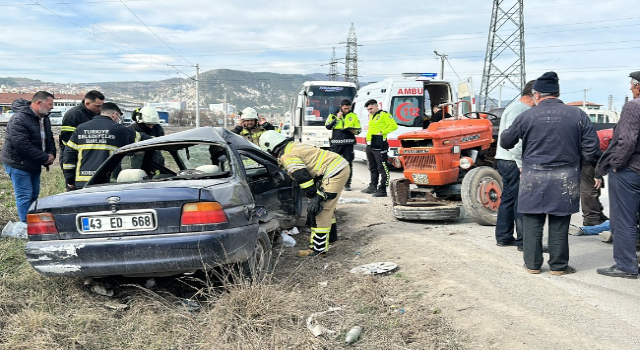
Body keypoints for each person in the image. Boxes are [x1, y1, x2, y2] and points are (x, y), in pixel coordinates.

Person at [500, 71, 600, 276]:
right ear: (557, 92)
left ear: (536, 94)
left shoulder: (526, 115)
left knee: (532, 220)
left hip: (533, 177)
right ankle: (558, 266)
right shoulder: (578, 114)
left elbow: (505, 141)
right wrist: (583, 164)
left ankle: (532, 264)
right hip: (565, 176)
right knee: (559, 221)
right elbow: (592, 147)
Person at [259, 130, 349, 257]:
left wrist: (314, 197)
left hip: (334, 172)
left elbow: (302, 176)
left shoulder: (287, 155)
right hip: (337, 167)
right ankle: (330, 238)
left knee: (321, 209)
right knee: (328, 207)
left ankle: (318, 249)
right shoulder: (292, 146)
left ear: (270, 148)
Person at [596, 71, 640, 279]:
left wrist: (616, 164)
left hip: (631, 170)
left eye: (632, 85)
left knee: (624, 219)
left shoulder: (634, 106)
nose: (630, 88)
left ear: (638, 86)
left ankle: (626, 265)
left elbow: (627, 141)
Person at [1, 91, 56, 225]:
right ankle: (26, 225)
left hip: (34, 163)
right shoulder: (19, 119)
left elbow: (49, 138)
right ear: (39, 103)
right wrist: (44, 157)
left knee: (34, 193)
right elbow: (22, 145)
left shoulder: (44, 118)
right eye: (50, 104)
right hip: (18, 163)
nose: (52, 107)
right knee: (25, 195)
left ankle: (32, 221)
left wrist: (52, 153)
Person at [62, 102, 146, 190]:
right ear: (114, 115)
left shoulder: (80, 129)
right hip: (105, 183)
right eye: (119, 117)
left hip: (83, 183)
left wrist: (70, 179)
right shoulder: (118, 129)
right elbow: (143, 139)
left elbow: (68, 155)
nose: (118, 120)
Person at [494, 80, 536, 250]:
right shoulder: (520, 109)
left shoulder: (516, 107)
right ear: (534, 94)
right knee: (521, 201)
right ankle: (523, 241)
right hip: (513, 161)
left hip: (506, 159)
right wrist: (521, 163)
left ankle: (504, 237)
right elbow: (515, 140)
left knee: (509, 199)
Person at [361, 99, 398, 197]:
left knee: (382, 167)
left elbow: (394, 126)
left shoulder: (384, 115)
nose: (370, 111)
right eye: (368, 109)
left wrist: (382, 132)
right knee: (372, 167)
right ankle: (373, 186)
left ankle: (382, 189)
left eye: (371, 108)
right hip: (370, 144)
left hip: (380, 143)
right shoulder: (372, 117)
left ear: (376, 106)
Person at [325, 99, 361, 191]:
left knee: (349, 164)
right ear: (341, 106)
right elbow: (328, 126)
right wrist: (337, 118)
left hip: (349, 144)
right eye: (345, 108)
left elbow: (359, 130)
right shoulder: (332, 115)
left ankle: (347, 184)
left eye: (348, 108)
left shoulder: (353, 115)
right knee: (334, 164)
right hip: (336, 144)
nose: (347, 110)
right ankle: (333, 183)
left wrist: (355, 131)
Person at [59, 90, 104, 155]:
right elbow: (67, 137)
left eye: (101, 106)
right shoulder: (73, 115)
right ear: (87, 104)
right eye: (97, 106)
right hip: (73, 154)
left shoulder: (99, 114)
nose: (100, 109)